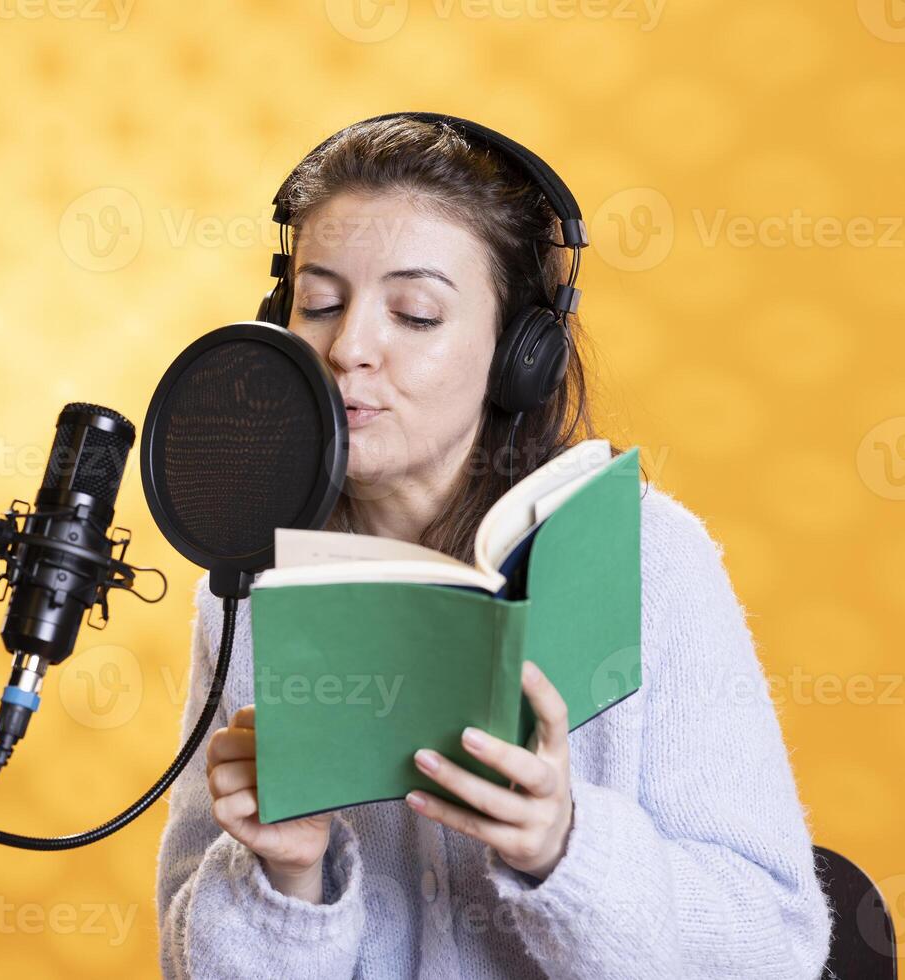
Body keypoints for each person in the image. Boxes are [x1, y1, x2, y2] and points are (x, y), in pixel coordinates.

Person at [154, 114, 831, 979]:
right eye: (319, 304)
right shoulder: (246, 583)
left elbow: (776, 945)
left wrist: (566, 849)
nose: (349, 348)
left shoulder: (649, 560)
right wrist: (285, 879)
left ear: (520, 352)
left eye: (417, 312)